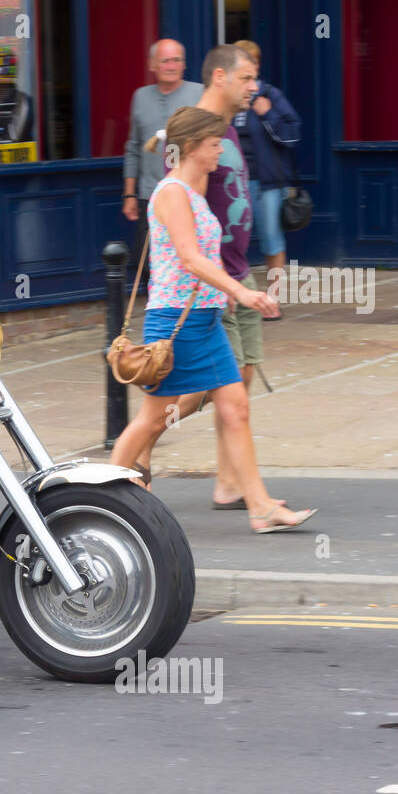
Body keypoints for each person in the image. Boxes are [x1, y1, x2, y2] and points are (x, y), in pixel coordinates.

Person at [108, 107, 316, 534]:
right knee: (153, 418)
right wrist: (238, 290)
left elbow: (204, 259)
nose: (221, 148)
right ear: (194, 148)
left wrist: (223, 296)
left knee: (235, 407)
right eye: (215, 143)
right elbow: (189, 257)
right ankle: (101, 496)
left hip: (205, 320)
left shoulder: (195, 193)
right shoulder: (171, 194)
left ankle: (260, 507)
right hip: (173, 325)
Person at [133, 45, 270, 509]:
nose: (254, 87)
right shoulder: (199, 134)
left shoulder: (225, 131)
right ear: (220, 77)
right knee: (194, 395)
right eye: (247, 78)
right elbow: (188, 233)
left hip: (231, 279)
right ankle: (132, 466)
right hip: (204, 290)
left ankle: (234, 485)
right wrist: (228, 286)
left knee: (238, 384)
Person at [123, 39, 204, 279]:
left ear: (184, 64)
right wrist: (129, 194)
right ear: (152, 65)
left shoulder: (199, 93)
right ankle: (159, 312)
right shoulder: (140, 96)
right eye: (165, 60)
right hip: (151, 195)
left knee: (186, 260)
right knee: (147, 263)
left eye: (177, 60)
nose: (171, 65)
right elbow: (133, 147)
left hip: (190, 195)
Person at [232, 39, 301, 315]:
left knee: (271, 239)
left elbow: (293, 133)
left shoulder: (270, 95)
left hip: (265, 182)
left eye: (248, 61)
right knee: (235, 241)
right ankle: (240, 298)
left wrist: (267, 113)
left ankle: (273, 300)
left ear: (257, 65)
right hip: (233, 182)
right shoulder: (230, 98)